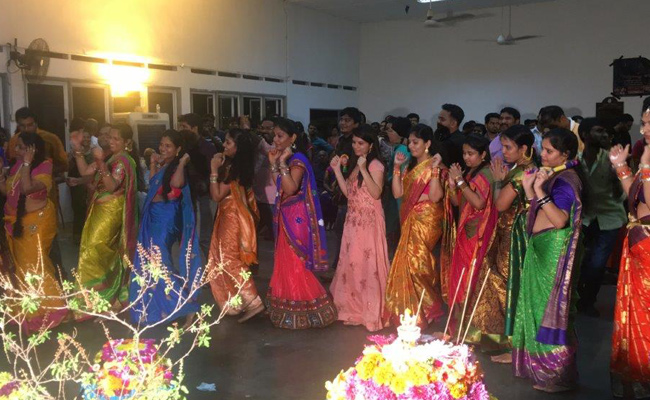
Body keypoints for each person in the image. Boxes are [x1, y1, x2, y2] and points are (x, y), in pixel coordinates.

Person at [512, 128, 585, 392]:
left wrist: (539, 190)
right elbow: (540, 208)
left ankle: (558, 375)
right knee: (537, 307)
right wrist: (530, 189)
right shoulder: (555, 175)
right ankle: (539, 367)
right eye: (543, 149)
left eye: (549, 151)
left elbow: (559, 219)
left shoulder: (566, 180)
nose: (543, 154)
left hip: (553, 251)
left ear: (566, 154)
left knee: (552, 311)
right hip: (541, 248)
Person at [464, 125, 535, 356]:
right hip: (508, 232)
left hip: (514, 237)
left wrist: (497, 182)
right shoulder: (521, 170)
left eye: (508, 147)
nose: (503, 152)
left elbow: (500, 205)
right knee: (499, 280)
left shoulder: (522, 173)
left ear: (523, 148)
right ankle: (494, 336)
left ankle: (507, 340)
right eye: (502, 146)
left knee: (503, 282)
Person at [266, 118, 336, 329]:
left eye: (280, 136)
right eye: (275, 135)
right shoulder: (287, 158)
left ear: (293, 137)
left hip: (296, 216)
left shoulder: (297, 159)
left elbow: (289, 188)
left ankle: (306, 308)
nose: (276, 140)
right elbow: (278, 184)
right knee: (286, 260)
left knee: (296, 263)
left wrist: (281, 163)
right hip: (286, 214)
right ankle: (288, 305)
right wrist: (274, 163)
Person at [128, 130, 201, 327]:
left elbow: (176, 184)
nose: (162, 148)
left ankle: (188, 306)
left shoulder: (177, 168)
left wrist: (182, 161)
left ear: (178, 149)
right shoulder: (165, 166)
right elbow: (153, 185)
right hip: (154, 217)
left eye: (168, 146)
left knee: (160, 262)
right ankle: (161, 306)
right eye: (161, 144)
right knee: (151, 260)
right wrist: (153, 164)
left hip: (166, 220)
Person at [0, 132, 67, 333]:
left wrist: (27, 163)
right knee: (22, 266)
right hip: (15, 221)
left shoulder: (44, 166)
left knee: (34, 264)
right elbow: (10, 192)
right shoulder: (17, 166)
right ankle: (31, 310)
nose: (16, 149)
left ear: (32, 149)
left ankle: (52, 309)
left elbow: (27, 188)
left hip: (37, 221)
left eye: (20, 147)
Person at [71, 123, 139, 310]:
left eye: (116, 138)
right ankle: (95, 298)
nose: (111, 141)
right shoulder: (110, 156)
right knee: (91, 249)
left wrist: (101, 163)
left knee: (96, 250)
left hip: (111, 213)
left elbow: (111, 186)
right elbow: (86, 171)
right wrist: (78, 151)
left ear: (127, 142)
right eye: (110, 137)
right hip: (100, 211)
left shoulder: (124, 161)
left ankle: (100, 298)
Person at [384, 124, 446, 328]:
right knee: (409, 263)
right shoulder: (409, 166)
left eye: (415, 142)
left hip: (427, 220)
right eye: (409, 142)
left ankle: (427, 308)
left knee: (419, 263)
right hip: (410, 217)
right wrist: (396, 167)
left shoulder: (435, 166)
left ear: (427, 143)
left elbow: (435, 197)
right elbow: (398, 194)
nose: (410, 146)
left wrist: (435, 170)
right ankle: (412, 310)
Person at [329, 125, 389, 332]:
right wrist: (337, 171)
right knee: (352, 263)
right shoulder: (356, 164)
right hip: (353, 221)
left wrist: (364, 169)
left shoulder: (375, 165)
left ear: (371, 145)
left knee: (367, 265)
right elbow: (349, 194)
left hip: (368, 223)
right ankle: (352, 307)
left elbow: (376, 193)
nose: (356, 146)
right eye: (354, 142)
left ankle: (368, 310)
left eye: (361, 143)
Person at [609, 102, 650, 398]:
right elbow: (636, 202)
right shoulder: (647, 155)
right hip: (638, 244)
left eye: (649, 124)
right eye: (643, 122)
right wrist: (621, 167)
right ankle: (637, 373)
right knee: (636, 312)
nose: (644, 129)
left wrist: (645, 169)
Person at [207, 128, 264, 323]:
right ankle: (236, 302)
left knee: (228, 259)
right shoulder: (238, 166)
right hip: (231, 216)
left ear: (238, 148)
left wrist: (213, 170)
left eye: (228, 142)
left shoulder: (233, 169)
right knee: (224, 257)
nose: (224, 145)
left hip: (232, 217)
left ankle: (253, 301)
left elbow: (216, 195)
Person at [444, 134, 497, 333]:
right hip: (465, 232)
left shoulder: (486, 174)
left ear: (483, 154)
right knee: (461, 274)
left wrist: (459, 180)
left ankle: (469, 326)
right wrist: (452, 185)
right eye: (464, 153)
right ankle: (459, 324)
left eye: (471, 153)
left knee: (469, 275)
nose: (466, 157)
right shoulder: (471, 172)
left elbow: (478, 203)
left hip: (477, 234)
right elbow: (459, 202)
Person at [576, 118, 626, 318]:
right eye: (599, 131)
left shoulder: (613, 158)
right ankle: (577, 299)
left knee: (597, 264)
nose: (605, 135)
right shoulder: (575, 161)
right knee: (580, 261)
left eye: (605, 131)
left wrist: (618, 172)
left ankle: (588, 301)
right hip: (584, 219)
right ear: (585, 135)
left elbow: (624, 193)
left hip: (609, 219)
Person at [178, 113, 218, 259]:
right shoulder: (183, 146)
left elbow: (212, 172)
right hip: (187, 196)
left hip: (203, 196)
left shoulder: (206, 147)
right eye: (180, 126)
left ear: (194, 128)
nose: (181, 130)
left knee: (204, 237)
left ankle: (211, 268)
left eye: (184, 127)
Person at [331, 108, 362, 268]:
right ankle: (340, 265)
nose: (343, 123)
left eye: (348, 120)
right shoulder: (342, 141)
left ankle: (342, 266)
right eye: (342, 119)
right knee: (340, 229)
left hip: (355, 191)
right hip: (341, 190)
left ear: (356, 123)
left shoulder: (357, 142)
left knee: (347, 230)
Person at [66, 118, 93, 244]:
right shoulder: (75, 152)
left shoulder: (94, 153)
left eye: (88, 137)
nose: (86, 139)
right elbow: (69, 168)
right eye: (84, 137)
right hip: (76, 185)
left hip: (89, 184)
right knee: (78, 209)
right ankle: (78, 236)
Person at [252, 117, 276, 241]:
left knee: (272, 222)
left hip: (272, 190)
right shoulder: (258, 142)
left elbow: (269, 151)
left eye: (268, 128)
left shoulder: (278, 143)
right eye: (262, 128)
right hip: (258, 187)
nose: (264, 131)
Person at [436, 104, 466, 168]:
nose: (438, 122)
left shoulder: (453, 143)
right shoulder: (442, 136)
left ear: (453, 123)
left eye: (442, 120)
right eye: (439, 119)